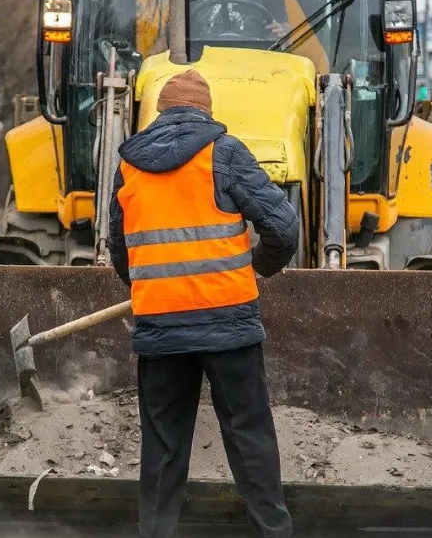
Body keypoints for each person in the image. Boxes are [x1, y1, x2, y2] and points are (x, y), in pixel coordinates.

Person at [108, 69, 299, 538]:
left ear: (161, 111)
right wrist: (258, 265)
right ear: (205, 111)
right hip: (228, 322)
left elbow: (120, 249)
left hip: (159, 328)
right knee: (249, 436)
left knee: (163, 449)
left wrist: (154, 288)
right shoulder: (224, 152)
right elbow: (285, 228)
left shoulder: (129, 165)